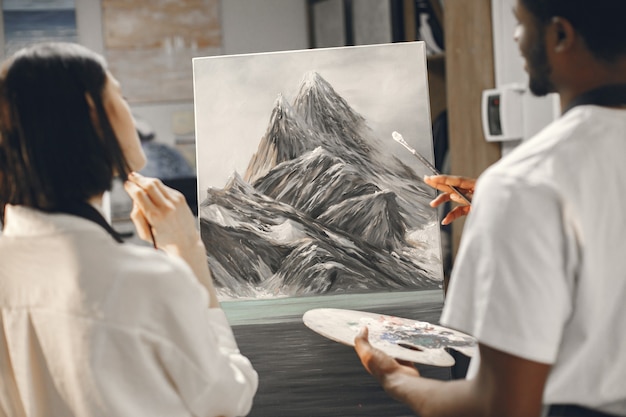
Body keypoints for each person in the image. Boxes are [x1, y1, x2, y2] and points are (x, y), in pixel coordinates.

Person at [355, 0, 626, 416]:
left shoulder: (526, 185)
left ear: (559, 36)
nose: (516, 39)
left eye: (520, 24)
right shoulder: (532, 188)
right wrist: (509, 207)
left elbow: (500, 408)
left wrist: (397, 380)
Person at [0, 42, 257, 416]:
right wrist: (187, 254)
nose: (133, 119)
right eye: (121, 98)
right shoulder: (143, 281)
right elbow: (228, 401)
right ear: (93, 113)